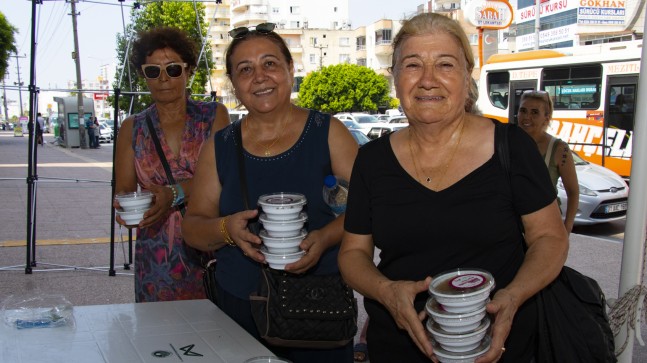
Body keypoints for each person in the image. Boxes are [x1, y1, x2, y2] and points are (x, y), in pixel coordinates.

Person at [338, 13, 569, 363]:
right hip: (400, 345)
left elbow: (550, 239)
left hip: (497, 343)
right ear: (396, 78)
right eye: (412, 65)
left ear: (467, 76)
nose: (428, 80)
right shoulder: (372, 160)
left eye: (445, 64)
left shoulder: (512, 147)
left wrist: (514, 296)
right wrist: (385, 291)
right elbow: (353, 254)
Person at [182, 23, 358, 362]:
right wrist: (226, 230)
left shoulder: (329, 132)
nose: (259, 76)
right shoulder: (220, 146)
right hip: (240, 309)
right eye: (245, 69)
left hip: (319, 310)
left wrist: (324, 238)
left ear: (290, 69)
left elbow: (369, 208)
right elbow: (193, 228)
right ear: (233, 84)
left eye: (270, 63)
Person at [113, 26, 230, 303]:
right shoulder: (132, 128)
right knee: (159, 338)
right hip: (156, 257)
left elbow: (225, 177)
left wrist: (174, 194)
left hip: (209, 245)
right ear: (144, 76)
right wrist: (130, 210)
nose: (164, 78)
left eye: (173, 69)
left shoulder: (215, 115)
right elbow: (124, 190)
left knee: (219, 332)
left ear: (188, 71)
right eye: (153, 71)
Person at [518, 90, 578, 234]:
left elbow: (573, 192)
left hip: (545, 228)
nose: (527, 117)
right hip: (513, 226)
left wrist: (567, 228)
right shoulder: (507, 142)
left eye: (534, 112)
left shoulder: (559, 149)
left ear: (546, 118)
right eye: (523, 110)